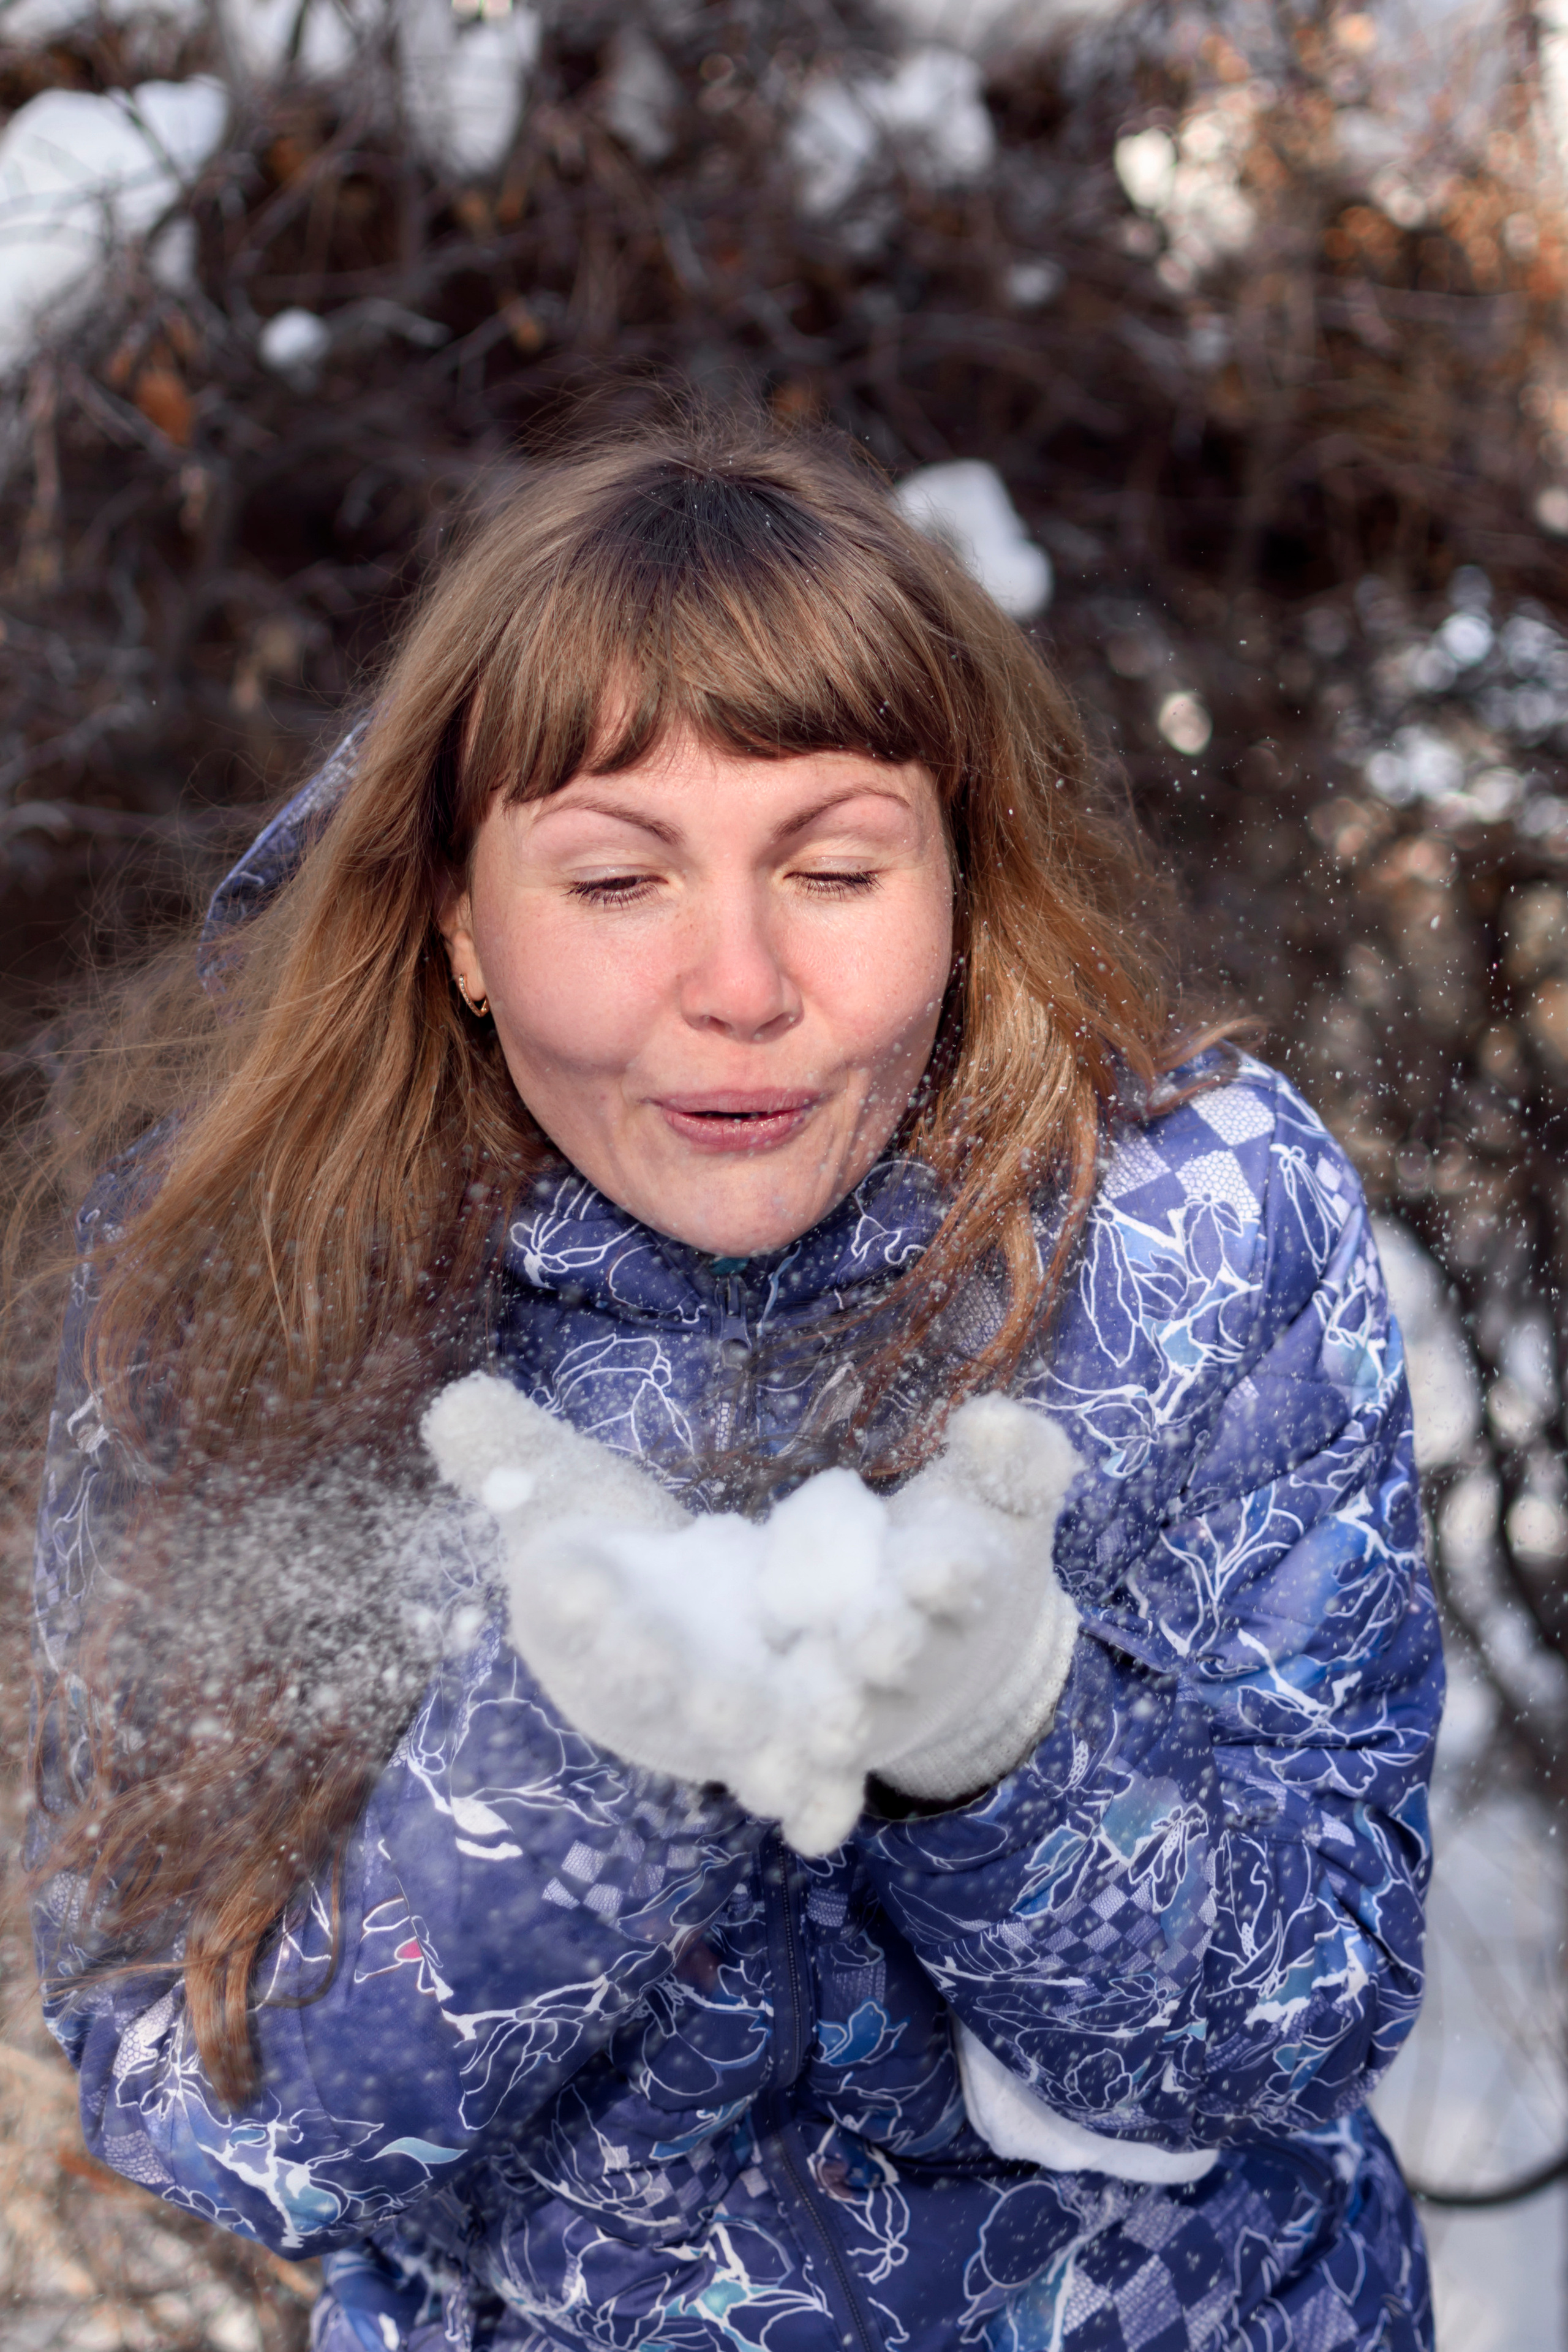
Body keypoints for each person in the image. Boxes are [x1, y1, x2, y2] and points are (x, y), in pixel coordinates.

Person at [26, 412, 1440, 2352]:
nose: (743, 986)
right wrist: (566, 1774)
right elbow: (196, 2113)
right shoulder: (255, 1281)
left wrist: (1014, 1746)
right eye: (619, 883)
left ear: (959, 873)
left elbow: (1306, 2025)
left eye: (837, 867)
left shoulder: (1194, 1229)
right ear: (454, 916)